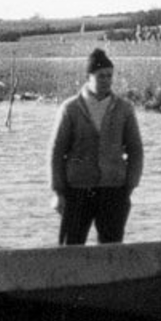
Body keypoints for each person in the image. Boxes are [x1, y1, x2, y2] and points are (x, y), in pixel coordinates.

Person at [48, 48, 144, 245]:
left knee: (111, 251)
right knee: (70, 248)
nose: (106, 80)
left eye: (109, 76)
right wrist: (58, 191)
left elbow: (136, 150)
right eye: (101, 76)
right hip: (78, 190)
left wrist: (130, 186)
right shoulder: (71, 108)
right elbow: (56, 152)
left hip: (113, 190)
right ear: (88, 77)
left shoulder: (124, 109)